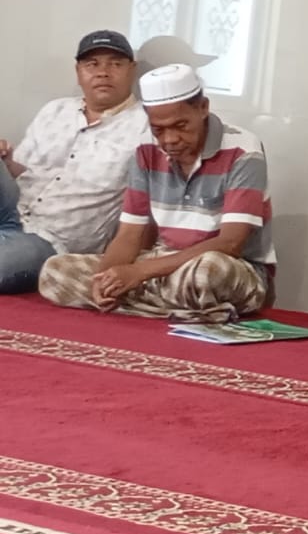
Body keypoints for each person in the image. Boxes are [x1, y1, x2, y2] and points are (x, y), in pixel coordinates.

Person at [37, 64, 274, 322]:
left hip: (227, 268)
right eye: (158, 129)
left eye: (180, 125)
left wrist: (140, 272)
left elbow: (230, 243)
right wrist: (104, 279)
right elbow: (129, 235)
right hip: (161, 266)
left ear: (203, 108)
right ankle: (184, 311)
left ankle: (151, 305)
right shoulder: (145, 149)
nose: (170, 139)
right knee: (55, 272)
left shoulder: (244, 150)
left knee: (206, 273)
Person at [0, 31, 149, 295]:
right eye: (92, 64)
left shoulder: (146, 127)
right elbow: (21, 172)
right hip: (11, 210)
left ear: (132, 70)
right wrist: (6, 161)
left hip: (52, 239)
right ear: (78, 71)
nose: (103, 73)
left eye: (115, 64)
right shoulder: (54, 110)